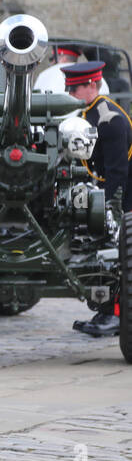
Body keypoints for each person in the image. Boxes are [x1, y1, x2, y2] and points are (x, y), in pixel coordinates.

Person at [65, 61, 132, 337]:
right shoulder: (90, 112)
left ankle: (116, 315)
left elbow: (117, 171)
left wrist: (108, 206)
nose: (70, 94)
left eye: (75, 88)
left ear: (92, 85)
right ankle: (106, 311)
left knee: (118, 253)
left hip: (125, 194)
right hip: (111, 188)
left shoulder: (109, 118)